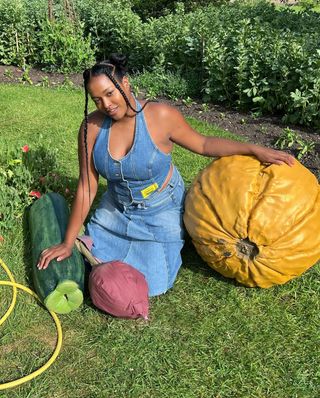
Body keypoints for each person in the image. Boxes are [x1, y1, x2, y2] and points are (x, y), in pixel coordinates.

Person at [37, 53, 295, 300]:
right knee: (92, 259)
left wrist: (254, 149)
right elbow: (87, 186)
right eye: (97, 100)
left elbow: (203, 144)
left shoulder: (160, 117)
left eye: (109, 93)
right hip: (117, 208)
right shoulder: (91, 128)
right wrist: (67, 242)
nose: (106, 104)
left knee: (155, 283)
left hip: (159, 210)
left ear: (125, 83)